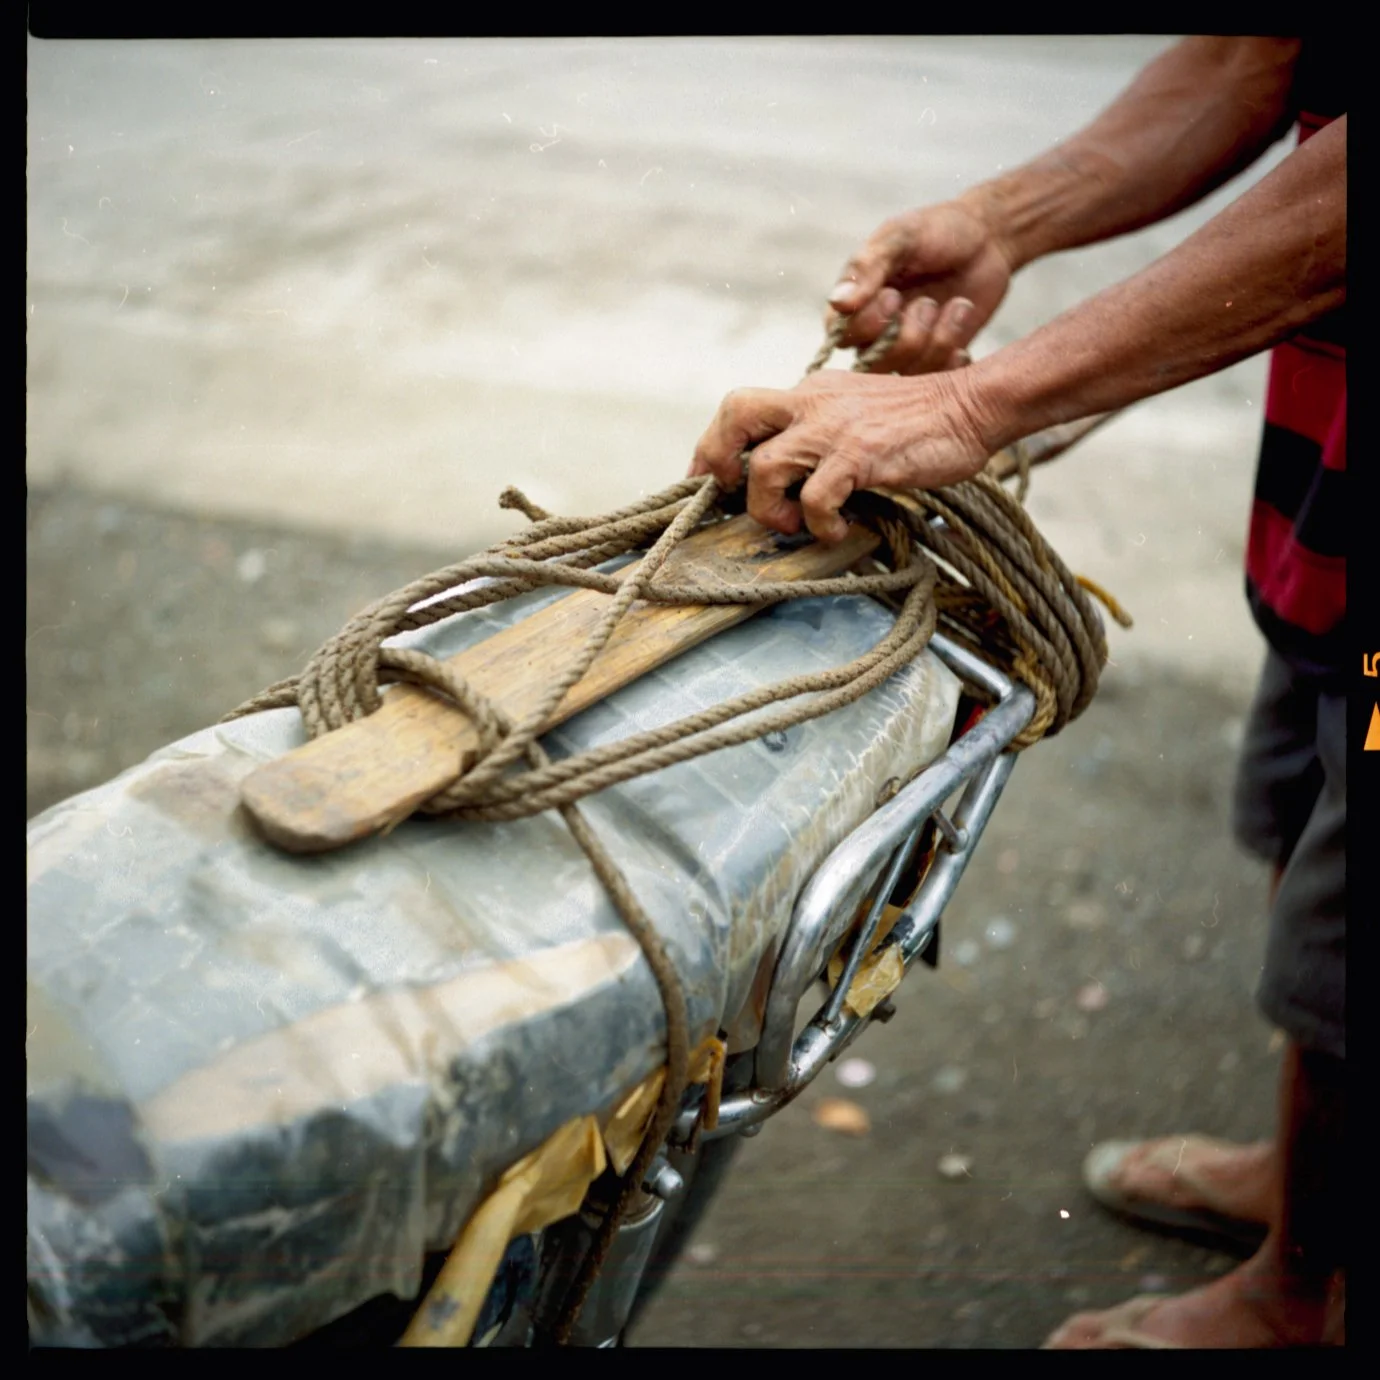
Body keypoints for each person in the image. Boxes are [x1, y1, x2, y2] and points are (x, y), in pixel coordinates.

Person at [689, 36, 1344, 1348]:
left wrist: (977, 404)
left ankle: (1304, 1297)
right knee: (1309, 796)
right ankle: (1313, 1184)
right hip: (1329, 494)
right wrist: (1004, 221)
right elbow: (1263, 50)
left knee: (1351, 914)